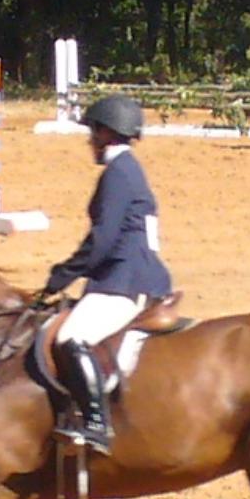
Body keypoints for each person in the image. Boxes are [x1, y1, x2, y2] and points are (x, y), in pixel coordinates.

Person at [35, 94, 172, 455]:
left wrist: (62, 275)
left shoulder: (119, 174)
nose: (89, 140)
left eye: (93, 131)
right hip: (131, 275)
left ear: (107, 133)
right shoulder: (128, 170)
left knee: (71, 337)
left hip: (126, 282)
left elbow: (102, 240)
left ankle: (97, 424)